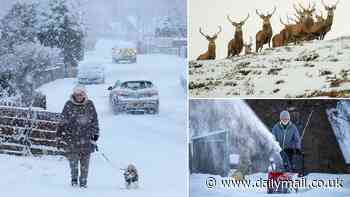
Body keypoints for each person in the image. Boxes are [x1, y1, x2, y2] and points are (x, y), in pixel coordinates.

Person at [56, 85, 99, 188]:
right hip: (72, 139)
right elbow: (63, 120)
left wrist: (95, 135)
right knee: (73, 163)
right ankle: (74, 181)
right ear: (74, 94)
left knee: (85, 165)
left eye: (81, 94)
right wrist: (59, 133)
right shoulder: (68, 105)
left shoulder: (90, 104)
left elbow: (95, 121)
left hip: (87, 139)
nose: (79, 96)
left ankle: (83, 183)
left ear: (84, 94)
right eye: (77, 94)